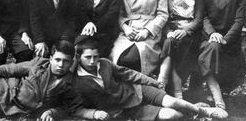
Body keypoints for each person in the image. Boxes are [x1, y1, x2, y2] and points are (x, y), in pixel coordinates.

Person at [73, 37, 228, 120]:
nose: (93, 61)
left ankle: (204, 112)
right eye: (88, 57)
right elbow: (76, 108)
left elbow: (129, 74)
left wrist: (153, 82)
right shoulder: (75, 79)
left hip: (137, 90)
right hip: (127, 109)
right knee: (171, 115)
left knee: (172, 101)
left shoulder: (105, 64)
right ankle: (192, 112)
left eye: (95, 57)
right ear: (78, 57)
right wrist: (93, 114)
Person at [198, 0, 245, 119]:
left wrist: (226, 38)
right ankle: (217, 96)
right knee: (212, 47)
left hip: (229, 40)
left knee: (218, 49)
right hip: (207, 37)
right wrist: (213, 34)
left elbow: (239, 21)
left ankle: (217, 90)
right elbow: (202, 17)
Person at [161, 0, 203, 98]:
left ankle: (170, 86)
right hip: (170, 29)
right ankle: (167, 84)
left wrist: (186, 30)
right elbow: (162, 15)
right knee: (170, 41)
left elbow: (199, 18)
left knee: (178, 45)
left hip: (190, 31)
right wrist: (167, 31)